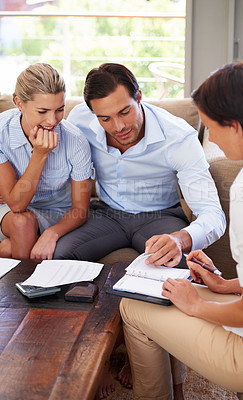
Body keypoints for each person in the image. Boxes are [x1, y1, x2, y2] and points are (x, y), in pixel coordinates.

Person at [53, 63, 226, 398]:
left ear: (140, 98)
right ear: (92, 113)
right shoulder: (78, 122)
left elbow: (213, 215)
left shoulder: (178, 137)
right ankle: (91, 358)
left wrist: (180, 238)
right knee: (60, 258)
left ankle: (155, 361)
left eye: (125, 112)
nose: (118, 127)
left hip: (159, 218)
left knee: (173, 269)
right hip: (106, 215)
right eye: (105, 118)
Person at [120, 62, 243, 400]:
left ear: (235, 124)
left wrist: (196, 306)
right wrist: (225, 284)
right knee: (179, 291)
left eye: (213, 127)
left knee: (133, 307)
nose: (211, 137)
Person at [0, 63, 93, 260]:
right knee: (21, 222)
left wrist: (52, 233)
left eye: (60, 109)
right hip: (9, 210)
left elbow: (80, 209)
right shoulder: (2, 133)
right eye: (42, 112)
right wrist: (40, 154)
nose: (52, 121)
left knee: (10, 247)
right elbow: (17, 205)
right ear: (19, 103)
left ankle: (13, 268)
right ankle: (30, 286)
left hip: (55, 211)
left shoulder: (75, 141)